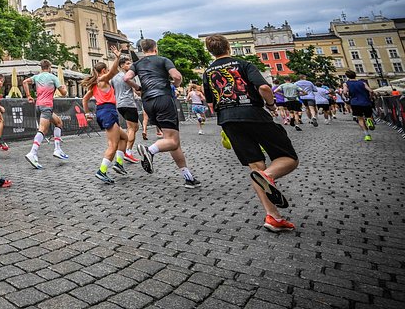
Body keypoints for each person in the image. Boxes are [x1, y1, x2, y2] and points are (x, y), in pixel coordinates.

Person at [202, 35, 299, 233]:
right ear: (228, 47)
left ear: (210, 51)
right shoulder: (243, 64)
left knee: (256, 167)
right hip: (253, 114)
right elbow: (263, 87)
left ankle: (273, 216)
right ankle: (268, 177)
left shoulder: (208, 72)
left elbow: (210, 103)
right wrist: (271, 105)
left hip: (227, 119)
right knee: (289, 158)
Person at [124, 38, 200, 189]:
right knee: (172, 141)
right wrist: (175, 85)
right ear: (155, 48)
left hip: (148, 102)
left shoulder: (137, 64)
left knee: (172, 141)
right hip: (163, 99)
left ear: (143, 50)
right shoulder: (163, 60)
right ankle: (149, 150)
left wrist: (138, 88)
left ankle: (188, 177)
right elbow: (177, 77)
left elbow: (126, 78)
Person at [83, 47, 129, 183]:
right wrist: (117, 58)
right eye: (107, 70)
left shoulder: (96, 84)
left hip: (106, 111)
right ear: (103, 71)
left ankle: (119, 163)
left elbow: (85, 99)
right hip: (107, 111)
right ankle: (101, 171)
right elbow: (113, 71)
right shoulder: (102, 80)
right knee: (113, 145)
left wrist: (87, 113)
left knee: (124, 137)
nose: (109, 72)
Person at [22, 59, 69, 169]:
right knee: (43, 129)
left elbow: (24, 82)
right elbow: (63, 93)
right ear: (49, 67)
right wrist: (65, 89)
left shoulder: (37, 77)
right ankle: (32, 153)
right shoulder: (53, 77)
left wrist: (28, 96)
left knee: (58, 122)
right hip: (46, 106)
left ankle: (57, 149)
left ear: (41, 67)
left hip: (39, 106)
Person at [111, 57, 142, 163]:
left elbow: (112, 91)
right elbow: (137, 91)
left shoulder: (114, 78)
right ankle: (127, 151)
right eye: (128, 63)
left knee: (134, 127)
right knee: (132, 128)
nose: (130, 65)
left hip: (119, 104)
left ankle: (125, 150)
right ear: (122, 66)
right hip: (129, 104)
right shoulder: (128, 76)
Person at [342, 70, 375, 141]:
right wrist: (370, 97)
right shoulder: (362, 82)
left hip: (355, 103)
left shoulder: (346, 83)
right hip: (366, 102)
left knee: (360, 119)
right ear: (355, 75)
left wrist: (347, 96)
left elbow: (344, 92)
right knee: (368, 116)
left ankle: (367, 135)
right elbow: (371, 91)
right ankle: (369, 120)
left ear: (347, 76)